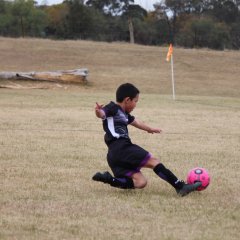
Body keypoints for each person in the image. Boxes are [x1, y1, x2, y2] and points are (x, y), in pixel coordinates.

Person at [92, 83, 201, 196]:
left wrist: (149, 129)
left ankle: (109, 179)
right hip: (122, 148)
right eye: (135, 101)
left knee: (141, 182)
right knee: (153, 161)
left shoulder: (124, 114)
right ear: (127, 100)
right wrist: (98, 111)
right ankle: (180, 187)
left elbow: (136, 122)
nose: (135, 105)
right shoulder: (113, 107)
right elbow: (102, 114)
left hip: (113, 155)